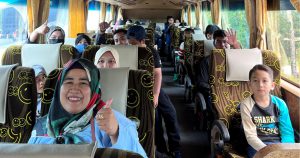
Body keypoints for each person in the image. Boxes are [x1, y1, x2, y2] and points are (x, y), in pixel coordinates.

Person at [28, 58, 147, 158]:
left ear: (94, 90)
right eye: (68, 82)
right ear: (59, 89)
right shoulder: (41, 127)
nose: (74, 88)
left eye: (84, 83)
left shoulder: (116, 124)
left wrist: (115, 134)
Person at [127, 25, 181, 158]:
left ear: (142, 41)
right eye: (129, 43)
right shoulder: (125, 51)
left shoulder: (151, 51)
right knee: (154, 118)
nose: (131, 46)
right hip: (135, 89)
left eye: (134, 43)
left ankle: (175, 148)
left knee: (171, 113)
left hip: (152, 86)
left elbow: (157, 74)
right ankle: (161, 149)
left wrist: (156, 94)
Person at [240, 64, 295, 158]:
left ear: (272, 85)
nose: (260, 85)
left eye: (265, 81)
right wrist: (268, 152)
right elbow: (251, 137)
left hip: (278, 144)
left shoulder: (280, 104)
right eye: (255, 81)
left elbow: (287, 132)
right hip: (257, 146)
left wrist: (286, 150)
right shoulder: (246, 105)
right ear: (250, 84)